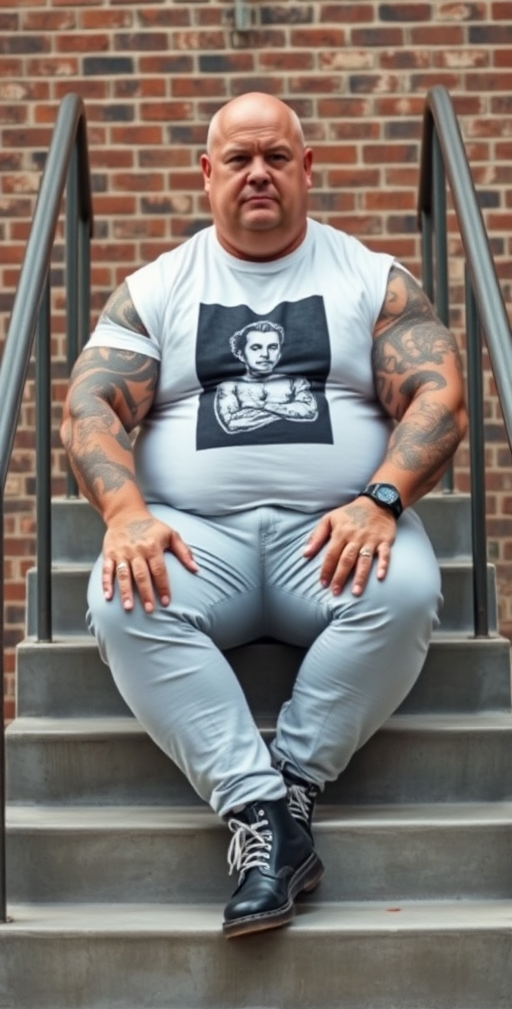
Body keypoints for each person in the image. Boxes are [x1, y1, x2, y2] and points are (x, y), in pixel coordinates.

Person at [60, 92, 467, 939]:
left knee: (403, 592)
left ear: (306, 170)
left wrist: (381, 499)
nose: (257, 174)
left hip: (334, 534)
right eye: (238, 159)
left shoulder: (368, 276)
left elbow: (438, 391)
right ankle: (260, 816)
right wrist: (128, 512)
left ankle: (288, 788)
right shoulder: (161, 287)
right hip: (198, 539)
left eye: (276, 157)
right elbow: (91, 402)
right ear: (206, 174)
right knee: (121, 596)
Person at [215, 319, 318, 433]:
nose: (265, 354)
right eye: (256, 348)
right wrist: (288, 411)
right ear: (241, 354)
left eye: (273, 347)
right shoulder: (229, 386)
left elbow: (309, 411)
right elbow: (231, 422)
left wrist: (261, 406)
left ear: (279, 352)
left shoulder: (296, 381)